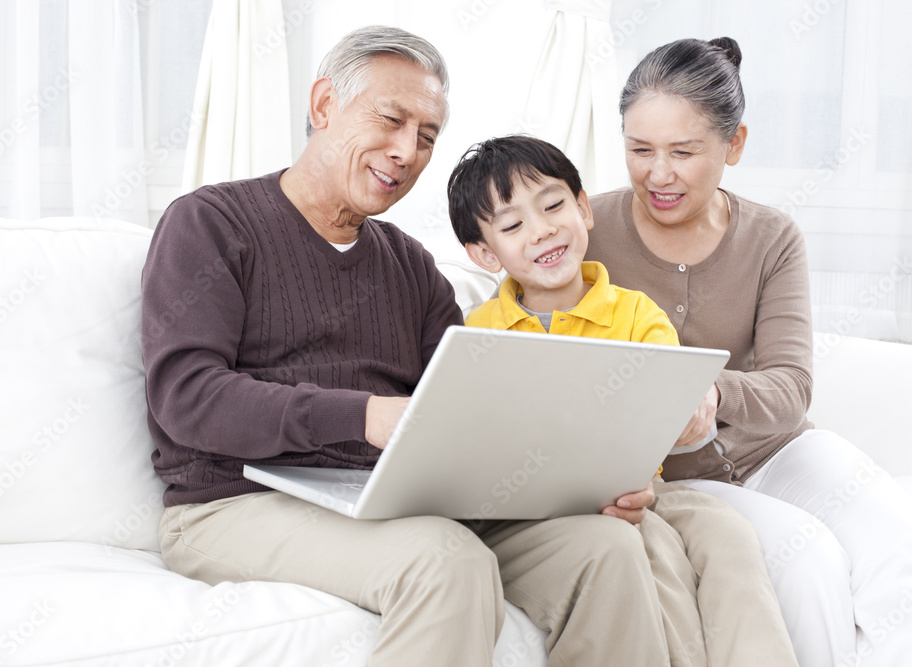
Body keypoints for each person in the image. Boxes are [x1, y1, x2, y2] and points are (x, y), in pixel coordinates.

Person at [142, 25, 692, 666]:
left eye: (427, 136)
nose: (407, 150)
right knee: (445, 561)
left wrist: (593, 479)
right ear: (323, 105)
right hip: (235, 501)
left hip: (388, 500)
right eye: (391, 119)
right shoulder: (211, 223)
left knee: (609, 550)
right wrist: (364, 415)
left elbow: (479, 412)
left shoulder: (410, 266)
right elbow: (186, 397)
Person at [585, 36, 912, 667]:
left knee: (897, 541)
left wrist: (711, 391)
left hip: (779, 449)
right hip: (679, 478)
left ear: (734, 144)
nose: (658, 173)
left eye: (684, 152)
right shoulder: (588, 231)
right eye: (639, 150)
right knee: (808, 560)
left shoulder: (771, 236)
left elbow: (791, 388)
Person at [447, 133, 799, 667]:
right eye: (513, 225)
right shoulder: (479, 332)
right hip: (535, 505)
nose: (542, 231)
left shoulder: (637, 315)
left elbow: (668, 406)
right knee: (652, 552)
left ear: (584, 207)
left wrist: (685, 418)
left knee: (726, 532)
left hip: (642, 486)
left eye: (553, 206)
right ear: (483, 253)